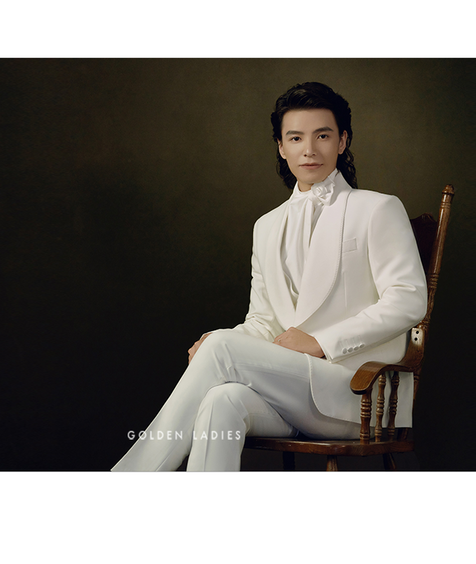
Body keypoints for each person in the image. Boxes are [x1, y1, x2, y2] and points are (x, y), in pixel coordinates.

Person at [111, 82, 427, 471]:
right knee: (222, 400)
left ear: (342, 141)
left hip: (355, 393)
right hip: (290, 391)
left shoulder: (377, 209)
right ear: (281, 147)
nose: (309, 149)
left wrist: (320, 342)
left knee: (222, 349)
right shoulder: (266, 226)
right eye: (296, 138)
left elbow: (409, 298)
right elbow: (263, 322)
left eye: (322, 135)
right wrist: (219, 340)